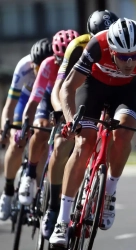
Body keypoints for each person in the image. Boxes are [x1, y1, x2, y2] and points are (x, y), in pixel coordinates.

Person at [49, 18, 136, 247]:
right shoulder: (96, 46)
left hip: (125, 92)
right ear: (111, 50)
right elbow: (69, 87)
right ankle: (62, 220)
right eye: (123, 56)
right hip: (94, 88)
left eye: (134, 55)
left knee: (123, 134)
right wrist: (71, 120)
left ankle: (109, 192)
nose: (130, 62)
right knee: (84, 144)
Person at [41, 10, 118, 240]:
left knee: (115, 132)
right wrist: (63, 115)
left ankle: (97, 190)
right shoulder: (78, 47)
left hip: (106, 92)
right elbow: (59, 89)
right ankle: (54, 206)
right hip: (75, 95)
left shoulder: (121, 48)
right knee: (63, 143)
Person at [17, 30, 79, 207]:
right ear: (55, 56)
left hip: (70, 100)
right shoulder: (47, 65)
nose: (64, 65)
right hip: (48, 98)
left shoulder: (84, 64)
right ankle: (29, 173)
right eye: (60, 59)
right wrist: (25, 128)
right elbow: (33, 101)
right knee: (41, 128)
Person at [0, 38, 53, 221]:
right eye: (38, 68)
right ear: (32, 64)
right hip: (25, 102)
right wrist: (5, 129)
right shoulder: (23, 67)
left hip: (44, 104)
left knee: (43, 142)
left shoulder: (54, 68)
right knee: (17, 141)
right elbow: (9, 105)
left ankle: (40, 195)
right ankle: (7, 192)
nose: (41, 72)